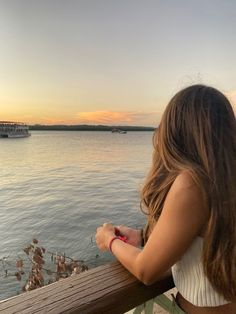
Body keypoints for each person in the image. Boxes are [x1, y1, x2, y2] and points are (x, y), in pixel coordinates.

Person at [96, 84, 236, 314]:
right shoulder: (225, 178)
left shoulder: (192, 183)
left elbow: (146, 271)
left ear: (176, 130)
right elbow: (205, 236)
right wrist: (143, 236)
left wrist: (109, 239)